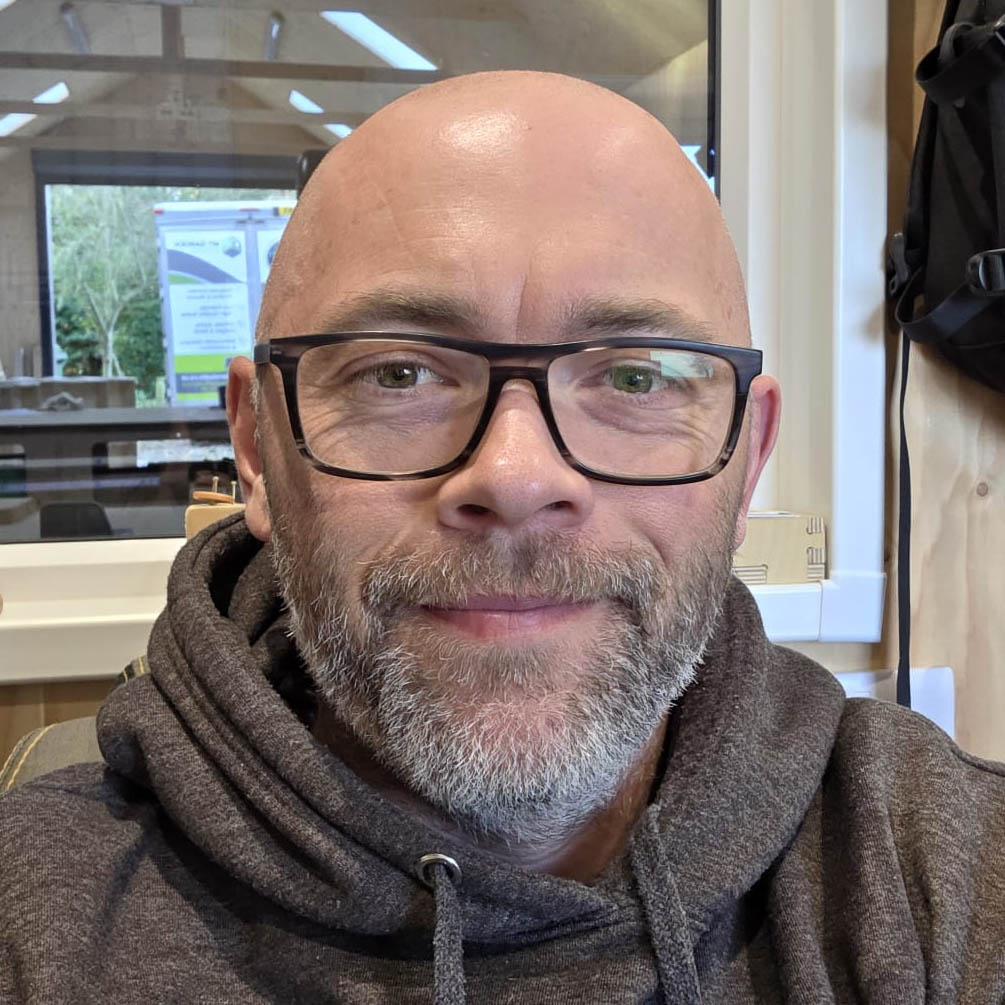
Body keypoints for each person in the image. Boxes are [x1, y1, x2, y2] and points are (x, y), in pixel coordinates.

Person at [2, 70, 1004, 1005]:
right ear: (258, 448)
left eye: (634, 376)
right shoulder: (32, 922)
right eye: (398, 373)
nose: (517, 479)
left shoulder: (944, 879)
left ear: (746, 459)